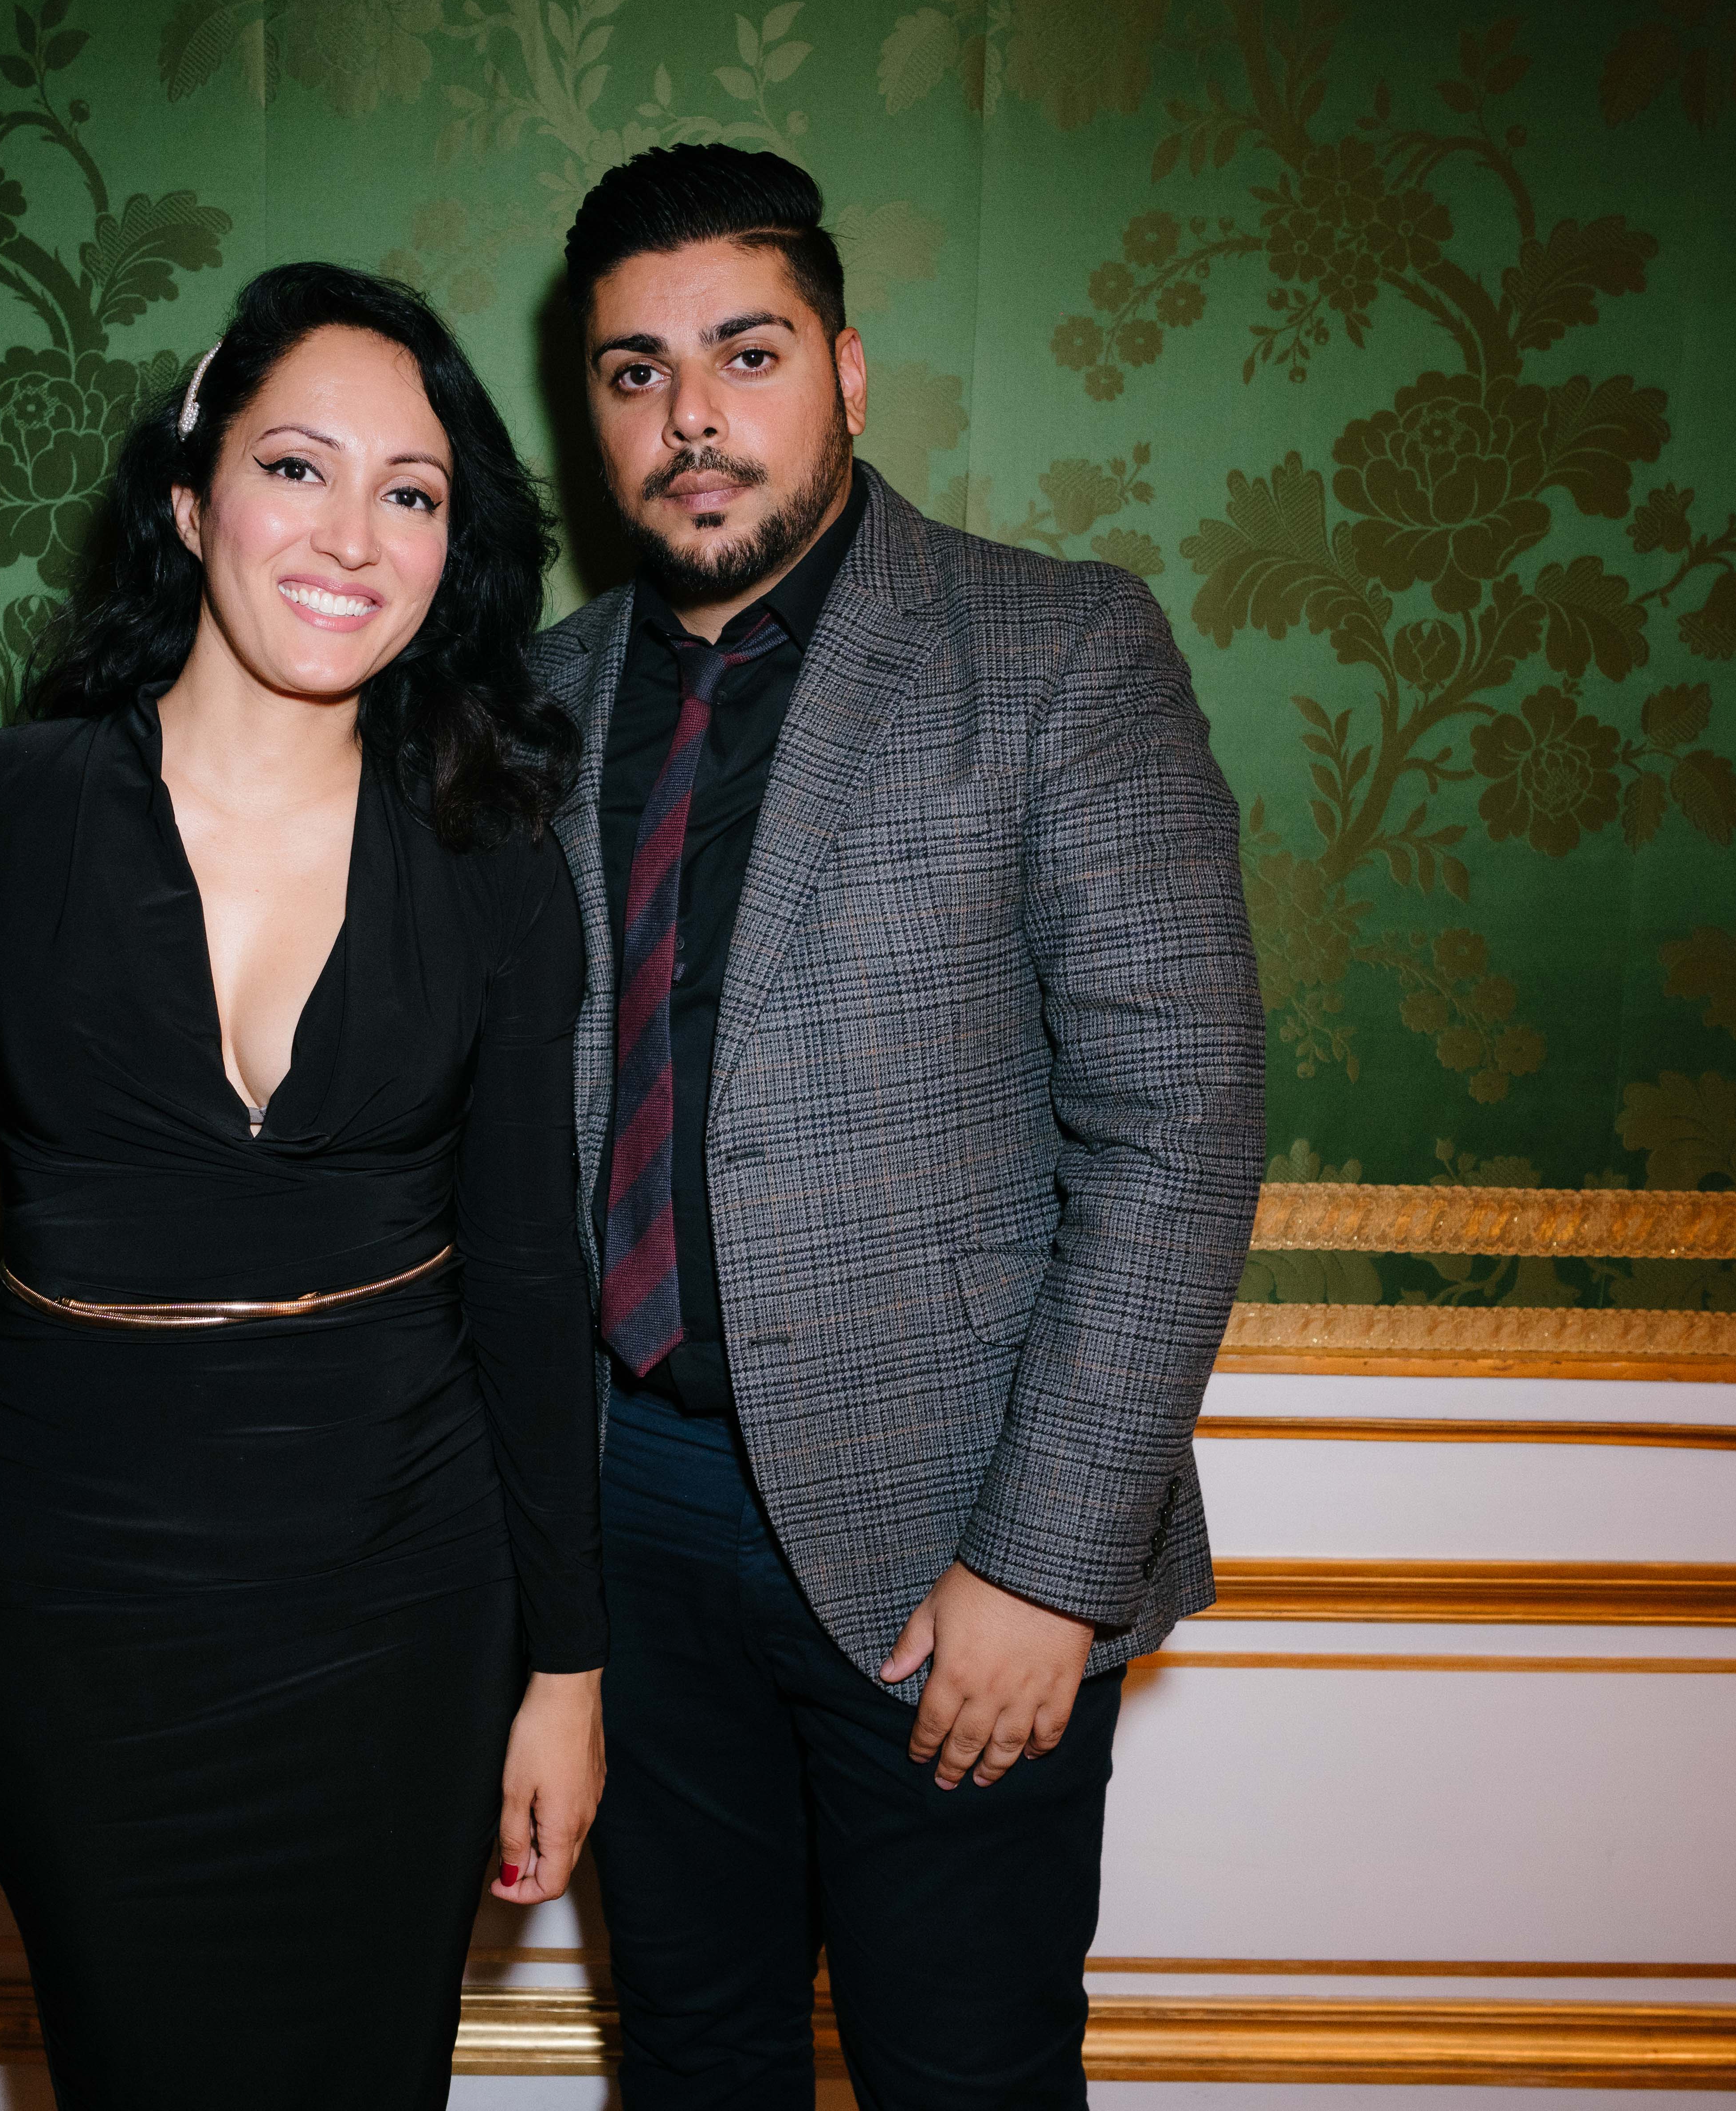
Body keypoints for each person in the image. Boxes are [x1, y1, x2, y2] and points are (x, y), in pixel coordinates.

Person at [0, 262, 607, 2109]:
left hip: (405, 1593)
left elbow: (533, 1276)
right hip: (76, 1603)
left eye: (410, 492)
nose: (352, 535)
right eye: (298, 468)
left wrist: (566, 1670)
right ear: (190, 497)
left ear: (447, 550)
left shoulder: (491, 847)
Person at [533, 146, 1266, 2105]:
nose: (691, 415)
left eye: (745, 352)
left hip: (956, 1532)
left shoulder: (1056, 652)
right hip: (623, 1521)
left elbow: (1179, 1124)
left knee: (963, 2072)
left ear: (845, 374)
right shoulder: (529, 704)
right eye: (633, 371)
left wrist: (1047, 1566)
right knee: (694, 2056)